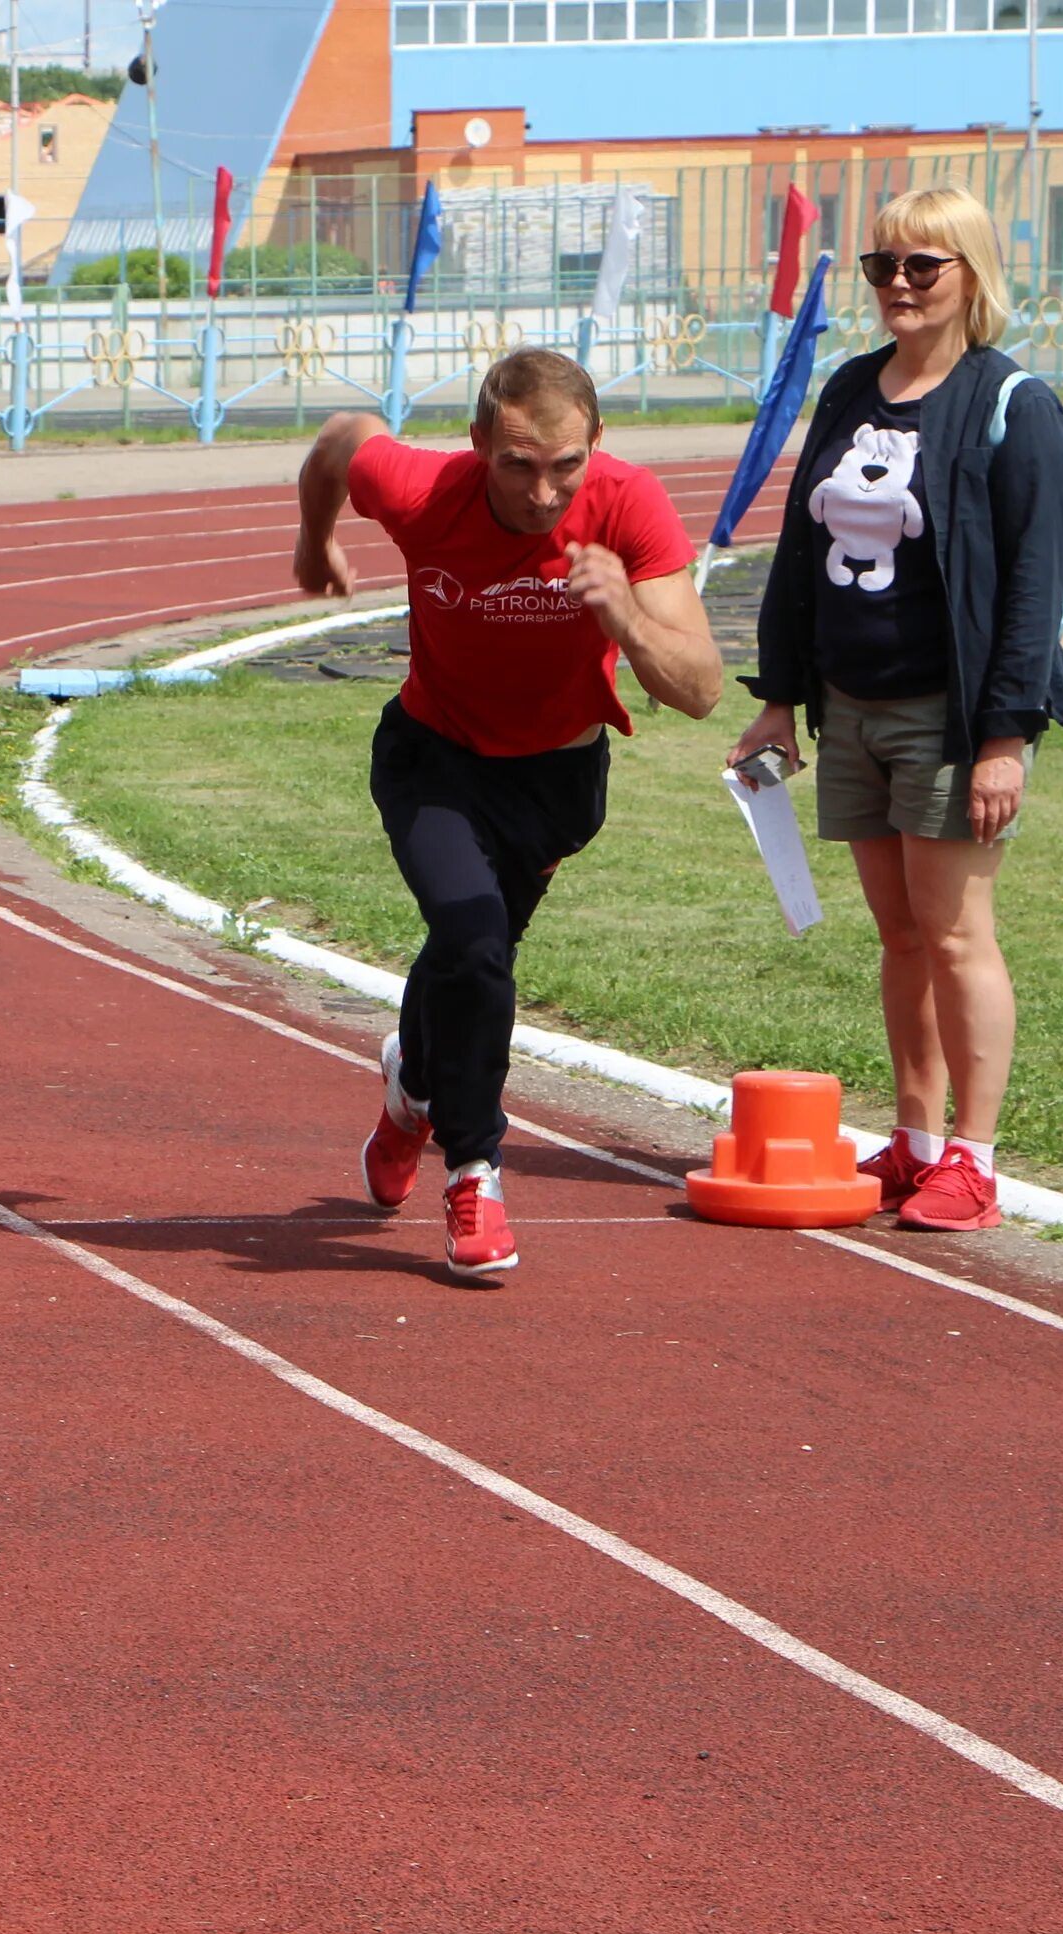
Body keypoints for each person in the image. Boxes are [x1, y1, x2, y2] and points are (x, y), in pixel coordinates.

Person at [293, 350, 723, 1275]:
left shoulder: (628, 503)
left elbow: (700, 690)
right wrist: (313, 540)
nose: (541, 493)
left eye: (565, 466)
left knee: (468, 955)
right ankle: (475, 1172)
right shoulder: (420, 489)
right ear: (479, 442)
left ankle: (412, 1086)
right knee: (475, 935)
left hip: (555, 785)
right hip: (434, 759)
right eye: (518, 465)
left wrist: (626, 620)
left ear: (596, 445)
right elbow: (338, 443)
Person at [730, 186, 1063, 1233]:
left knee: (956, 935)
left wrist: (1005, 739)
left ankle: (974, 1156)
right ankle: (918, 1139)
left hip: (950, 714)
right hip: (851, 705)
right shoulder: (850, 388)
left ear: (971, 274)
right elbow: (802, 549)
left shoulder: (1014, 405)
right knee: (898, 935)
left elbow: (1033, 583)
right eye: (883, 265)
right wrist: (780, 697)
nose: (896, 284)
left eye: (921, 267)